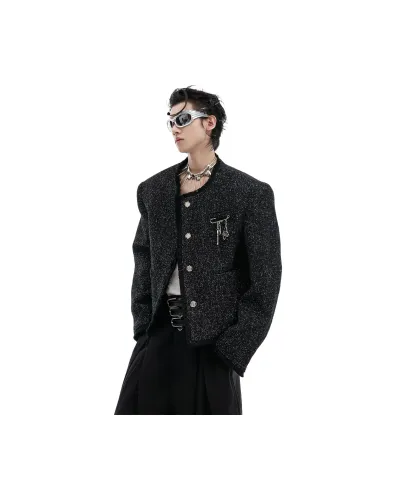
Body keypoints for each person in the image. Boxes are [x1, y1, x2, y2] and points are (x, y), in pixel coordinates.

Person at [114, 86, 282, 415]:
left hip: (214, 346)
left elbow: (266, 278)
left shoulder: (248, 193)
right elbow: (143, 258)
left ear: (209, 123)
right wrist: (142, 327)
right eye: (171, 121)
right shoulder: (153, 190)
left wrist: (234, 348)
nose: (174, 127)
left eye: (183, 118)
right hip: (157, 339)